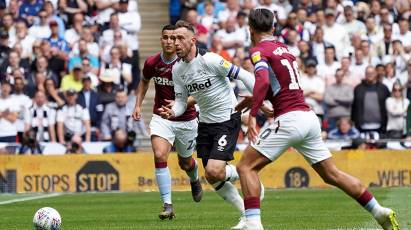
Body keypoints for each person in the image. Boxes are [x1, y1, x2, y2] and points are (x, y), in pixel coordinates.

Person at [236, 8, 399, 230]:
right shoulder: (285, 49)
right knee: (332, 174)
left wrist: (253, 115)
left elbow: (264, 81)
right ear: (274, 27)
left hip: (290, 119)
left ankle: (253, 225)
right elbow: (277, 85)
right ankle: (379, 211)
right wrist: (257, 100)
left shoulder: (258, 51)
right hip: (308, 117)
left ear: (250, 29)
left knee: (246, 167)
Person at [159, 20, 255, 229]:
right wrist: (172, 111)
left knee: (213, 170)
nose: (175, 43)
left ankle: (246, 172)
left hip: (227, 118)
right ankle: (246, 216)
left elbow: (244, 75)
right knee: (213, 177)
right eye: (173, 38)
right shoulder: (177, 70)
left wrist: (260, 98)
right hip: (205, 123)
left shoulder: (210, 60)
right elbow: (182, 101)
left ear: (192, 40)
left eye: (180, 38)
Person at [132, 25, 202, 220]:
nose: (169, 41)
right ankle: (168, 205)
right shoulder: (152, 62)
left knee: (185, 163)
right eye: (165, 38)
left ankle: (194, 178)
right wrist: (138, 105)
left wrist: (182, 103)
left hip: (186, 119)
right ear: (161, 39)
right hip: (162, 118)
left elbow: (199, 93)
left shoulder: (188, 62)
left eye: (173, 38)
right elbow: (144, 80)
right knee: (160, 154)